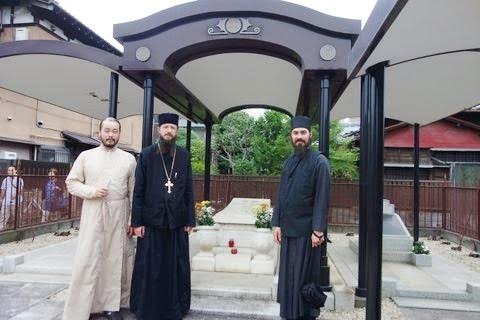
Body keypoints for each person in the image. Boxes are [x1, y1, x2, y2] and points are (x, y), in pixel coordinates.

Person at [62, 117, 137, 320]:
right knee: (89, 257)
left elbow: (134, 192)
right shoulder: (86, 156)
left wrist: (132, 219)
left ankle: (113, 306)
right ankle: (85, 306)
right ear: (99, 133)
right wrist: (92, 191)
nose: (110, 135)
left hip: (119, 214)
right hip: (93, 211)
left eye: (114, 131)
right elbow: (72, 183)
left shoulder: (129, 159)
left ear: (119, 134)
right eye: (107, 131)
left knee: (114, 260)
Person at [130, 113, 195, 320]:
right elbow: (138, 191)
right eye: (165, 127)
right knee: (151, 267)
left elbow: (189, 190)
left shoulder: (183, 156)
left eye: (173, 128)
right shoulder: (147, 154)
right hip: (151, 221)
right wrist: (137, 221)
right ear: (159, 130)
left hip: (176, 221)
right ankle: (147, 308)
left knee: (176, 266)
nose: (169, 131)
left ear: (177, 132)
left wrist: (190, 219)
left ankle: (177, 307)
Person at [271, 116, 331, 320]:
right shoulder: (289, 162)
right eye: (295, 133)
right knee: (289, 278)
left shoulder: (319, 162)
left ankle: (304, 316)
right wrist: (276, 223)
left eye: (303, 133)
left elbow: (322, 197)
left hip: (308, 234)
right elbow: (282, 194)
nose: (299, 137)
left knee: (303, 279)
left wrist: (318, 230)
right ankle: (289, 314)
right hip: (288, 231)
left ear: (310, 135)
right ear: (291, 136)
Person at [0, 165, 24, 230]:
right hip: (6, 201)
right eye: (9, 170)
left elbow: (20, 189)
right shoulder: (5, 179)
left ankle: (18, 228)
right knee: (3, 216)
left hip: (16, 202)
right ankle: (1, 229)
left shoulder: (19, 179)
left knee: (16, 217)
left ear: (16, 170)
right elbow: (3, 190)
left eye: (12, 170)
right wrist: (1, 199)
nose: (10, 171)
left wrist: (15, 195)